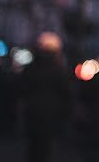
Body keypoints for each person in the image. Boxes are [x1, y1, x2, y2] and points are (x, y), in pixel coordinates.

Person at [17, 31, 72, 162]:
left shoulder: (30, 67)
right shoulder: (59, 69)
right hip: (50, 113)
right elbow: (66, 92)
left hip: (31, 110)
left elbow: (20, 88)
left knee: (32, 146)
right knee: (44, 146)